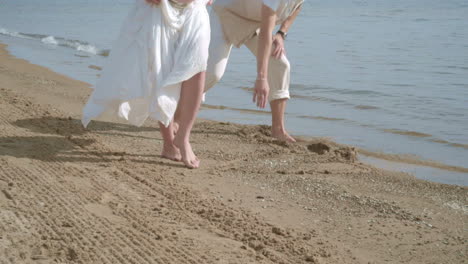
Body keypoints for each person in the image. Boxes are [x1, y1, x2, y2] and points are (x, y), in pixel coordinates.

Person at [82, 0, 212, 169]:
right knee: (161, 72)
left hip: (195, 6)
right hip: (160, 8)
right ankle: (168, 143)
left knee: (197, 67)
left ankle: (183, 137)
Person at [204, 0, 304, 142]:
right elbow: (265, 32)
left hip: (255, 21)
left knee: (280, 64)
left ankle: (278, 129)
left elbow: (297, 6)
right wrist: (261, 78)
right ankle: (176, 113)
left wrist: (281, 33)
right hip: (226, 14)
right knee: (213, 73)